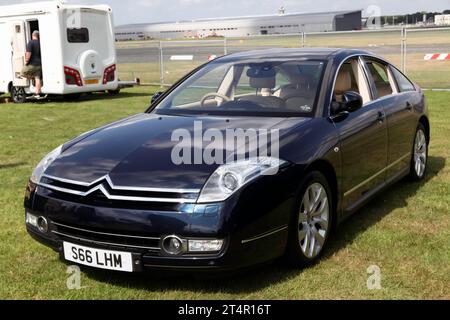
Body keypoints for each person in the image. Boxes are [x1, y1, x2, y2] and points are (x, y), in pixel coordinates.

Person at [23, 30, 43, 99]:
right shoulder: (41, 43)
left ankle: (32, 78)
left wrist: (26, 61)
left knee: (22, 73)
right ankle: (37, 94)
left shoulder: (31, 42)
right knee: (37, 78)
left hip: (32, 64)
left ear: (32, 35)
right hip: (40, 64)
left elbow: (28, 53)